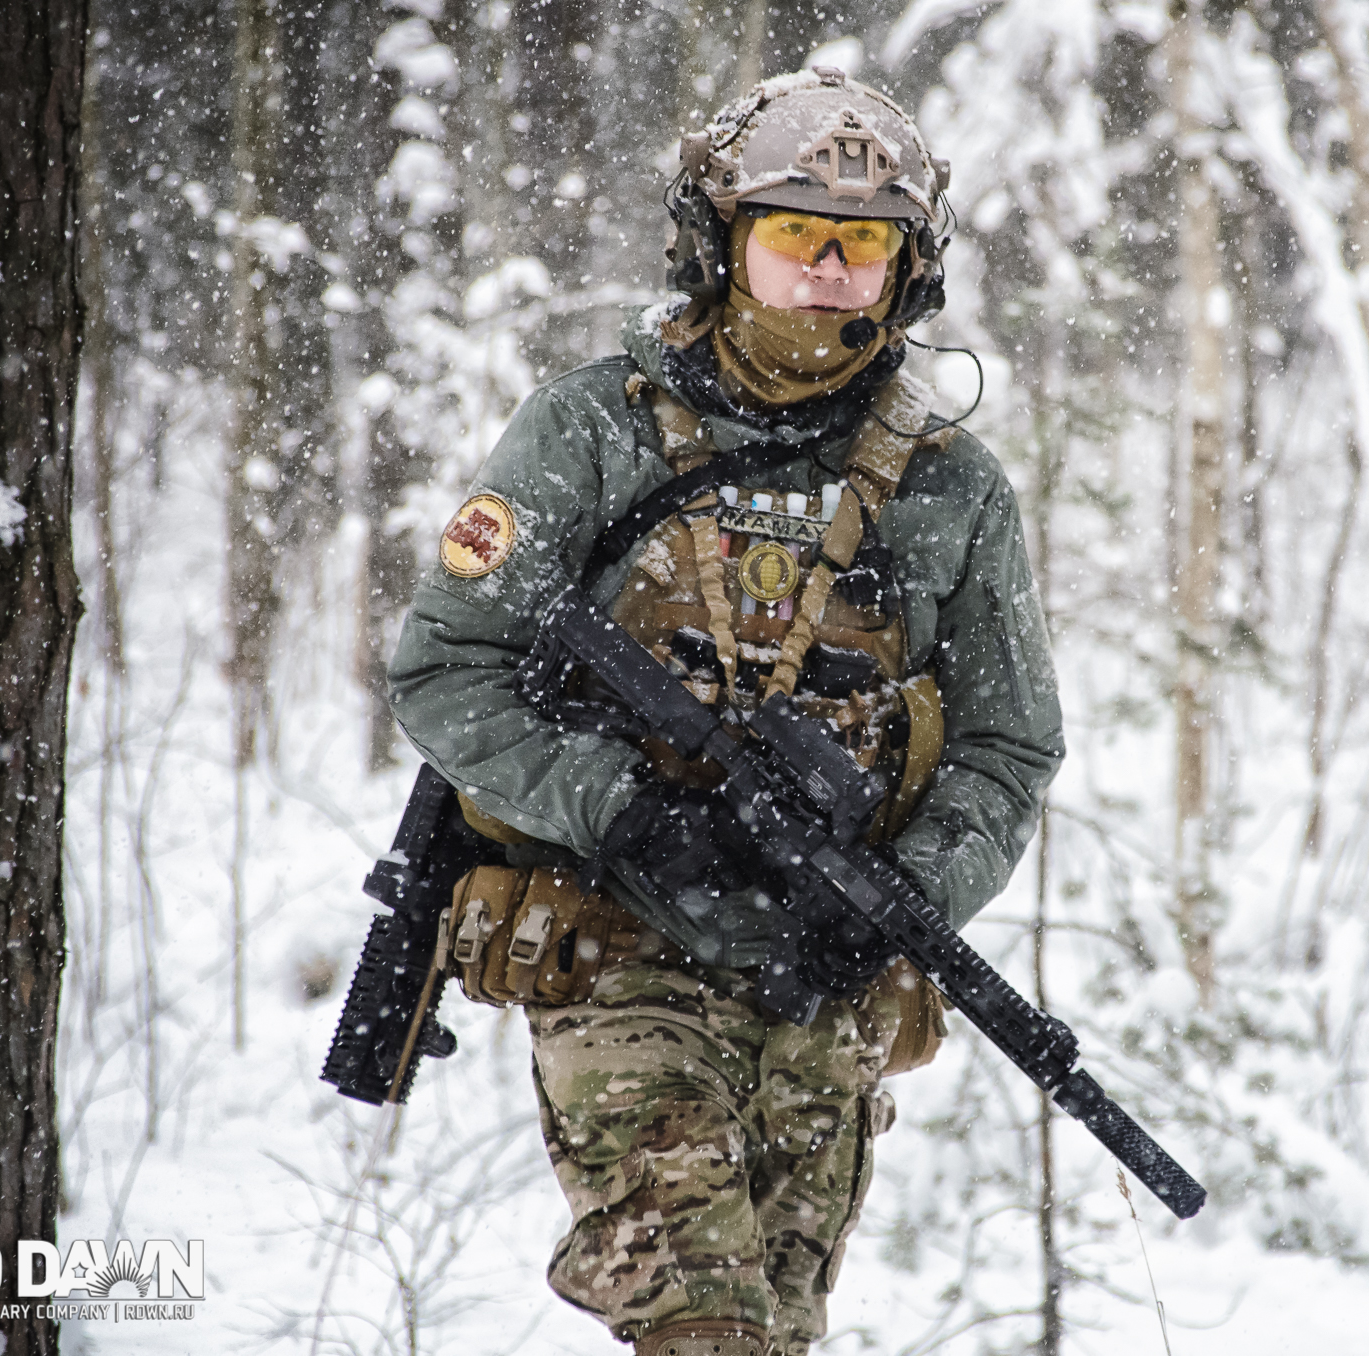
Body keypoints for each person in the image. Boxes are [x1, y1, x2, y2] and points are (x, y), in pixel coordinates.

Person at [385, 68, 1062, 1356]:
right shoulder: (591, 428)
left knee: (778, 1328)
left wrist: (898, 908)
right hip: (615, 942)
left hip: (822, 977)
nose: (826, 271)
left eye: (861, 244)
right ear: (719, 243)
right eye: (792, 235)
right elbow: (447, 667)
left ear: (907, 271)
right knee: (702, 1320)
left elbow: (1008, 747)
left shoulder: (952, 488)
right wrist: (622, 811)